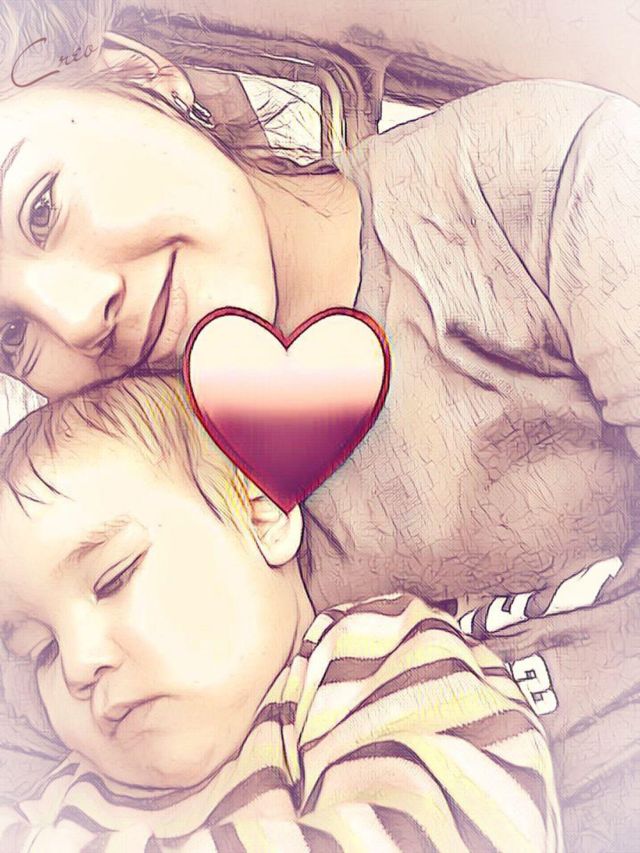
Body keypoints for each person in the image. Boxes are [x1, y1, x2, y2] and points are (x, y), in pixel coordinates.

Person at [0, 2, 638, 847]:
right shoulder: (85, 500)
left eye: (41, 207)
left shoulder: (541, 183)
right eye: (8, 333)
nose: (77, 316)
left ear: (140, 79)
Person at [0, 374, 561, 851]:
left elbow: (463, 826)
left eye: (114, 578)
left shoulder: (376, 659)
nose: (77, 665)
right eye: (40, 650)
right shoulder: (62, 798)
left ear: (260, 515)